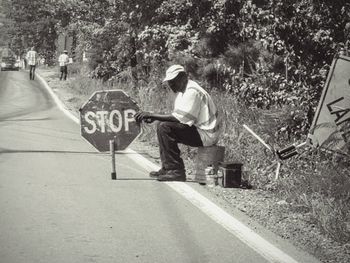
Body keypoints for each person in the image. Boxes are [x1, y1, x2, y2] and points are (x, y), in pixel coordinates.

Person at [135, 65, 221, 181]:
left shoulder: (192, 91)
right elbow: (178, 116)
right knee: (163, 125)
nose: (171, 85)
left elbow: (179, 118)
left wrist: (152, 115)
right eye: (170, 82)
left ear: (184, 77)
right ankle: (167, 168)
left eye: (174, 81)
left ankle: (176, 171)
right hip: (200, 130)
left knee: (165, 127)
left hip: (207, 134)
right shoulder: (183, 91)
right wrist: (155, 117)